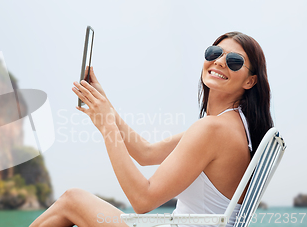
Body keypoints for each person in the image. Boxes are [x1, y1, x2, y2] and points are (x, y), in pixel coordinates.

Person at [29, 31, 273, 227]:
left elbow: (142, 200)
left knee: (73, 200)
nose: (220, 61)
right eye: (215, 52)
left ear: (250, 80)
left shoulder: (213, 129)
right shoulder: (233, 125)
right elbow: (146, 153)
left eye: (234, 61)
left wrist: (107, 127)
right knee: (72, 201)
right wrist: (107, 108)